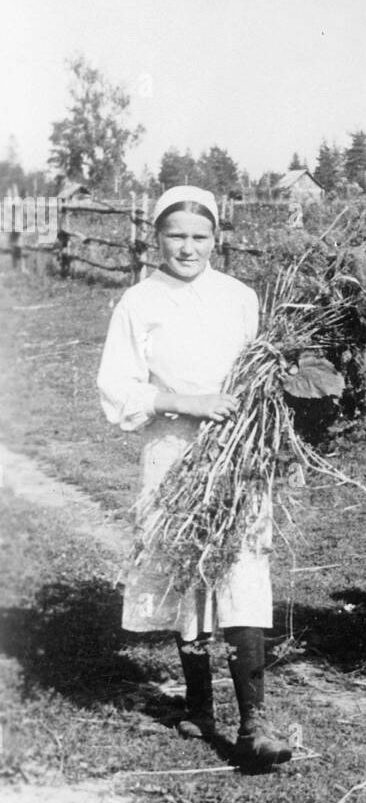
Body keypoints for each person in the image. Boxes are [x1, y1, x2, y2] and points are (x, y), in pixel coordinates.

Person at [97, 185, 292, 768]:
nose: (188, 247)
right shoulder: (138, 302)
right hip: (173, 449)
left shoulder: (239, 297)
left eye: (200, 236)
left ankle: (254, 721)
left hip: (237, 451)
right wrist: (189, 401)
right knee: (188, 567)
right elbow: (119, 388)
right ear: (156, 237)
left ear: (217, 239)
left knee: (243, 565)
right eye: (176, 235)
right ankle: (200, 703)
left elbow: (261, 371)